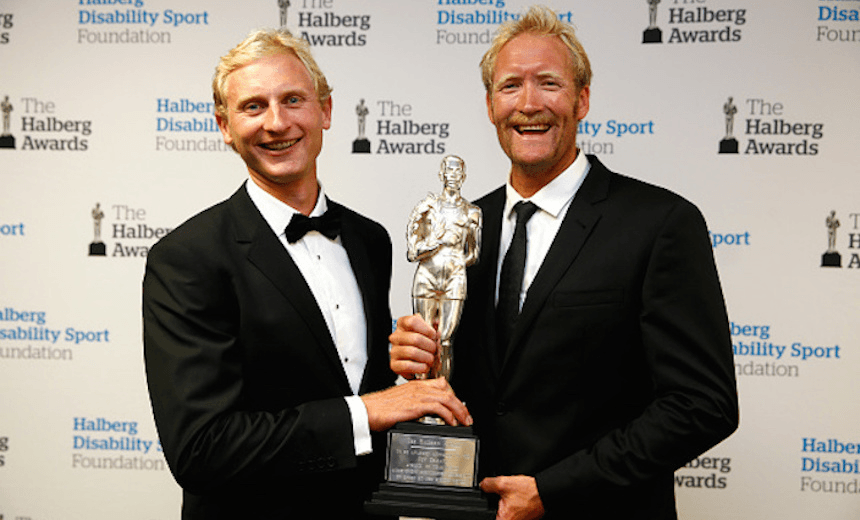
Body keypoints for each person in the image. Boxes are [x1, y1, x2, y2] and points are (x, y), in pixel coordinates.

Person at [390, 6, 739, 520]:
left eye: (548, 83)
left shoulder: (659, 223)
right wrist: (415, 358)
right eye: (510, 86)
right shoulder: (467, 225)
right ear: (490, 105)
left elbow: (702, 406)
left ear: (583, 99)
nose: (529, 104)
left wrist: (555, 490)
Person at [143, 29, 470, 520]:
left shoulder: (369, 239)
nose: (277, 123)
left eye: (293, 99)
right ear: (224, 126)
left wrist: (399, 365)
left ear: (326, 111)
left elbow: (348, 373)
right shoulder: (188, 258)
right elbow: (202, 448)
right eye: (253, 107)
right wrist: (369, 410)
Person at [407, 155, 482, 381]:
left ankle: (440, 399)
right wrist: (431, 249)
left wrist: (455, 263)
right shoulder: (427, 207)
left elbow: (474, 253)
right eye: (449, 172)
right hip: (426, 275)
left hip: (455, 278)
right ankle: (421, 402)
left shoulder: (472, 212)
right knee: (424, 340)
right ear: (441, 175)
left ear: (464, 177)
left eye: (457, 172)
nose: (453, 176)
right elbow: (413, 249)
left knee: (446, 340)